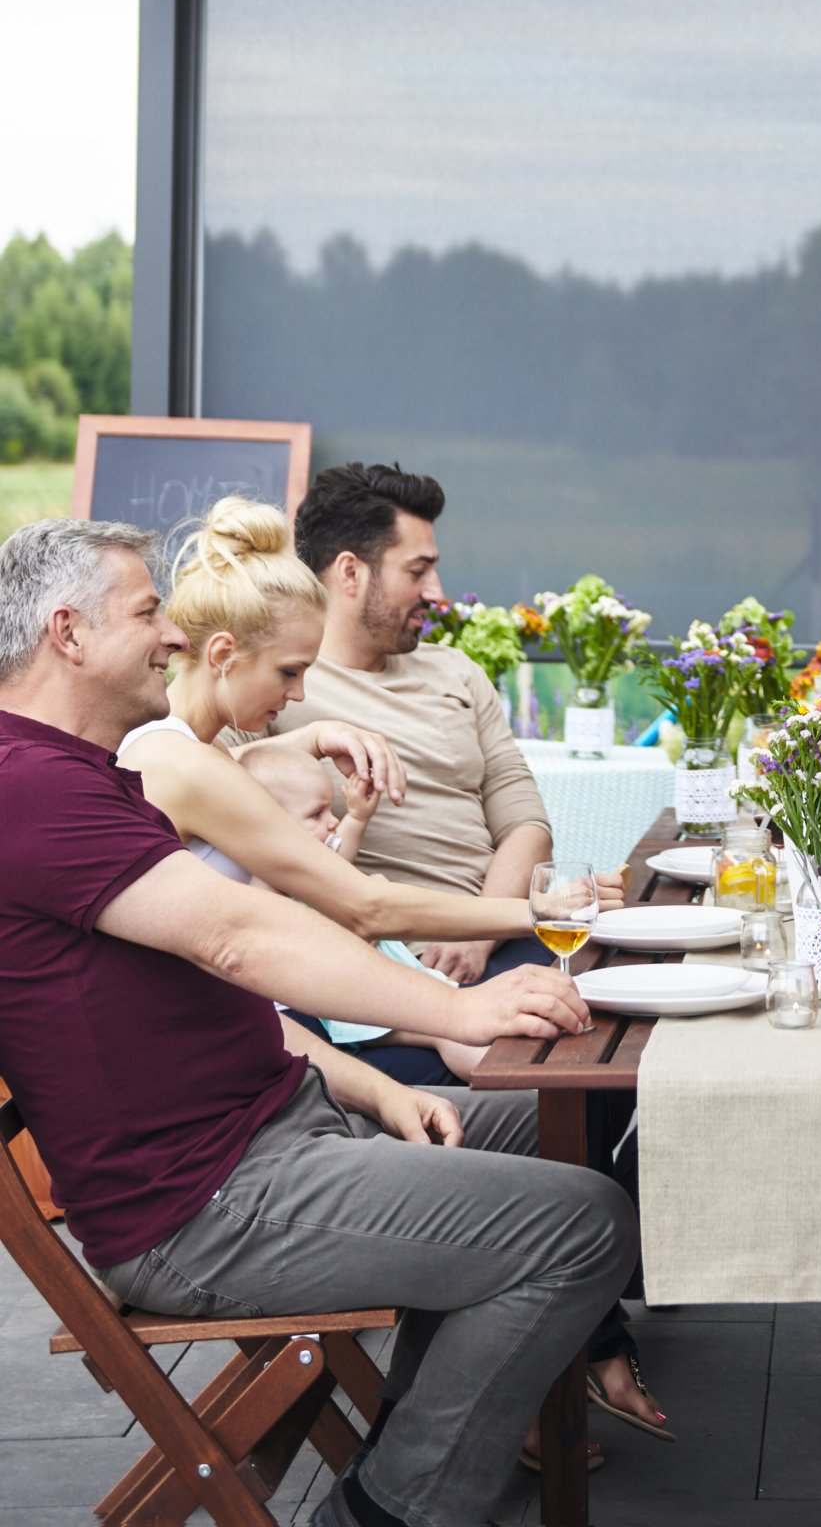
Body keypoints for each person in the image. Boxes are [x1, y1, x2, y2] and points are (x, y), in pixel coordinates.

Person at [0, 516, 636, 1527]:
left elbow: (226, 973)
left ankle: (422, 1443)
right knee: (575, 1225)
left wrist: (376, 1080)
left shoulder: (79, 775)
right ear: (67, 632)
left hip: (279, 1129)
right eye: (146, 612)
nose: (169, 635)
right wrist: (456, 1008)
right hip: (204, 1204)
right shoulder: (26, 788)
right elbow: (240, 938)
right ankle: (388, 1509)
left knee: (581, 1120)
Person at [124, 493, 668, 1444]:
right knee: (574, 1198)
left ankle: (462, 1420)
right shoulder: (175, 765)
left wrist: (379, 1083)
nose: (299, 694)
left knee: (570, 1130)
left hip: (280, 1081)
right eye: (291, 673)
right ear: (221, 657)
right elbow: (358, 904)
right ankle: (441, 1455)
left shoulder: (207, 755)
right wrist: (527, 929)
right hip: (228, 1161)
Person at [272, 462, 551, 987]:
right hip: (394, 968)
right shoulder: (277, 686)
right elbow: (197, 775)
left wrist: (479, 936)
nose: (436, 591)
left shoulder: (457, 671)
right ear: (350, 572)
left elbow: (527, 825)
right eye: (417, 571)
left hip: (503, 934)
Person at [243, 742, 489, 1083]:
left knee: (457, 1010)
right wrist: (355, 925)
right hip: (348, 1004)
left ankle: (525, 1078)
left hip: (379, 981)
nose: (332, 823)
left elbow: (338, 852)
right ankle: (515, 1086)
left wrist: (358, 815)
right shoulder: (267, 891)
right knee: (445, 1031)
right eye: (317, 815)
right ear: (271, 826)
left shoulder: (311, 869)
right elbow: (298, 945)